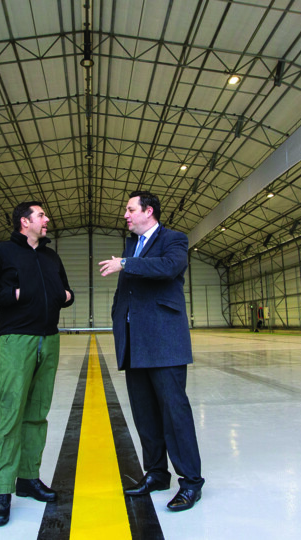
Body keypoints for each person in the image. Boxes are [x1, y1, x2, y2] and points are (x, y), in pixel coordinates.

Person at [98, 190, 204, 512]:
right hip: (134, 340)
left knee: (175, 412)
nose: (126, 215)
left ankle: (191, 482)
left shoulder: (175, 239)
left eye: (130, 210)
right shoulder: (131, 245)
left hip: (164, 341)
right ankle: (157, 473)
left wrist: (126, 263)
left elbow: (169, 268)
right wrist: (119, 315)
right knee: (144, 414)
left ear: (149, 211)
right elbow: (127, 287)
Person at [0, 201, 75, 527]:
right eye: (41, 215)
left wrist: (67, 296)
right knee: (11, 413)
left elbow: (65, 288)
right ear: (24, 221)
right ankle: (2, 490)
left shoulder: (50, 255)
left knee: (37, 414)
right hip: (17, 341)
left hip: (50, 339)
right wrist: (13, 296)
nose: (47, 220)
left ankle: (28, 478)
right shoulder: (0, 252)